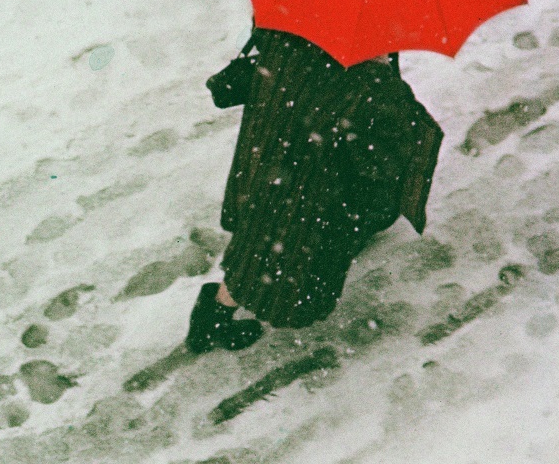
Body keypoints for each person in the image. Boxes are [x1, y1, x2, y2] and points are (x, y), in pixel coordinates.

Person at [187, 26, 444, 353]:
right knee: (279, 257)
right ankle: (213, 316)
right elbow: (381, 164)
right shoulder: (373, 88)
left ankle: (215, 311)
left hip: (276, 164)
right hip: (314, 194)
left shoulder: (292, 36)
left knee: (263, 239)